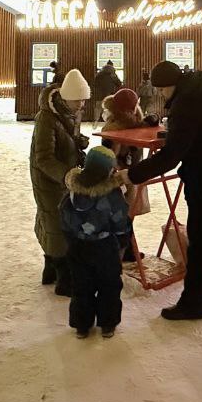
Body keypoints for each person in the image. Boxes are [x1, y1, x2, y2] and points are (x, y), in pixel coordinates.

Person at [125, 60, 202, 320]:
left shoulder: (186, 103)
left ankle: (194, 303)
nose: (161, 95)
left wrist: (132, 174)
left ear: (170, 86)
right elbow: (198, 132)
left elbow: (171, 157)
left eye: (162, 90)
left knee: (201, 242)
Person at [30, 68, 91, 296]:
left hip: (64, 176)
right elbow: (43, 156)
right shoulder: (46, 118)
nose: (82, 104)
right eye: (79, 100)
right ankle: (65, 280)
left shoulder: (70, 113)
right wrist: (66, 174)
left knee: (58, 221)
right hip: (48, 177)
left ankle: (50, 270)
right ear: (66, 97)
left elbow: (69, 138)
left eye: (84, 99)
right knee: (55, 223)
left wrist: (79, 142)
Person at [60, 146, 132, 339]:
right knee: (109, 286)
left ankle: (81, 326)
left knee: (81, 287)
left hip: (78, 248)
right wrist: (123, 240)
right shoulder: (112, 196)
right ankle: (108, 324)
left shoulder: (72, 193)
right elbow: (120, 222)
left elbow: (65, 220)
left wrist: (71, 240)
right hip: (105, 248)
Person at [101, 87, 151, 262]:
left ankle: (128, 248)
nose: (134, 109)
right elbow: (109, 157)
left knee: (128, 215)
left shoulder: (135, 121)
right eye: (131, 107)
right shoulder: (113, 127)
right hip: (122, 176)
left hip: (134, 173)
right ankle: (120, 251)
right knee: (121, 215)